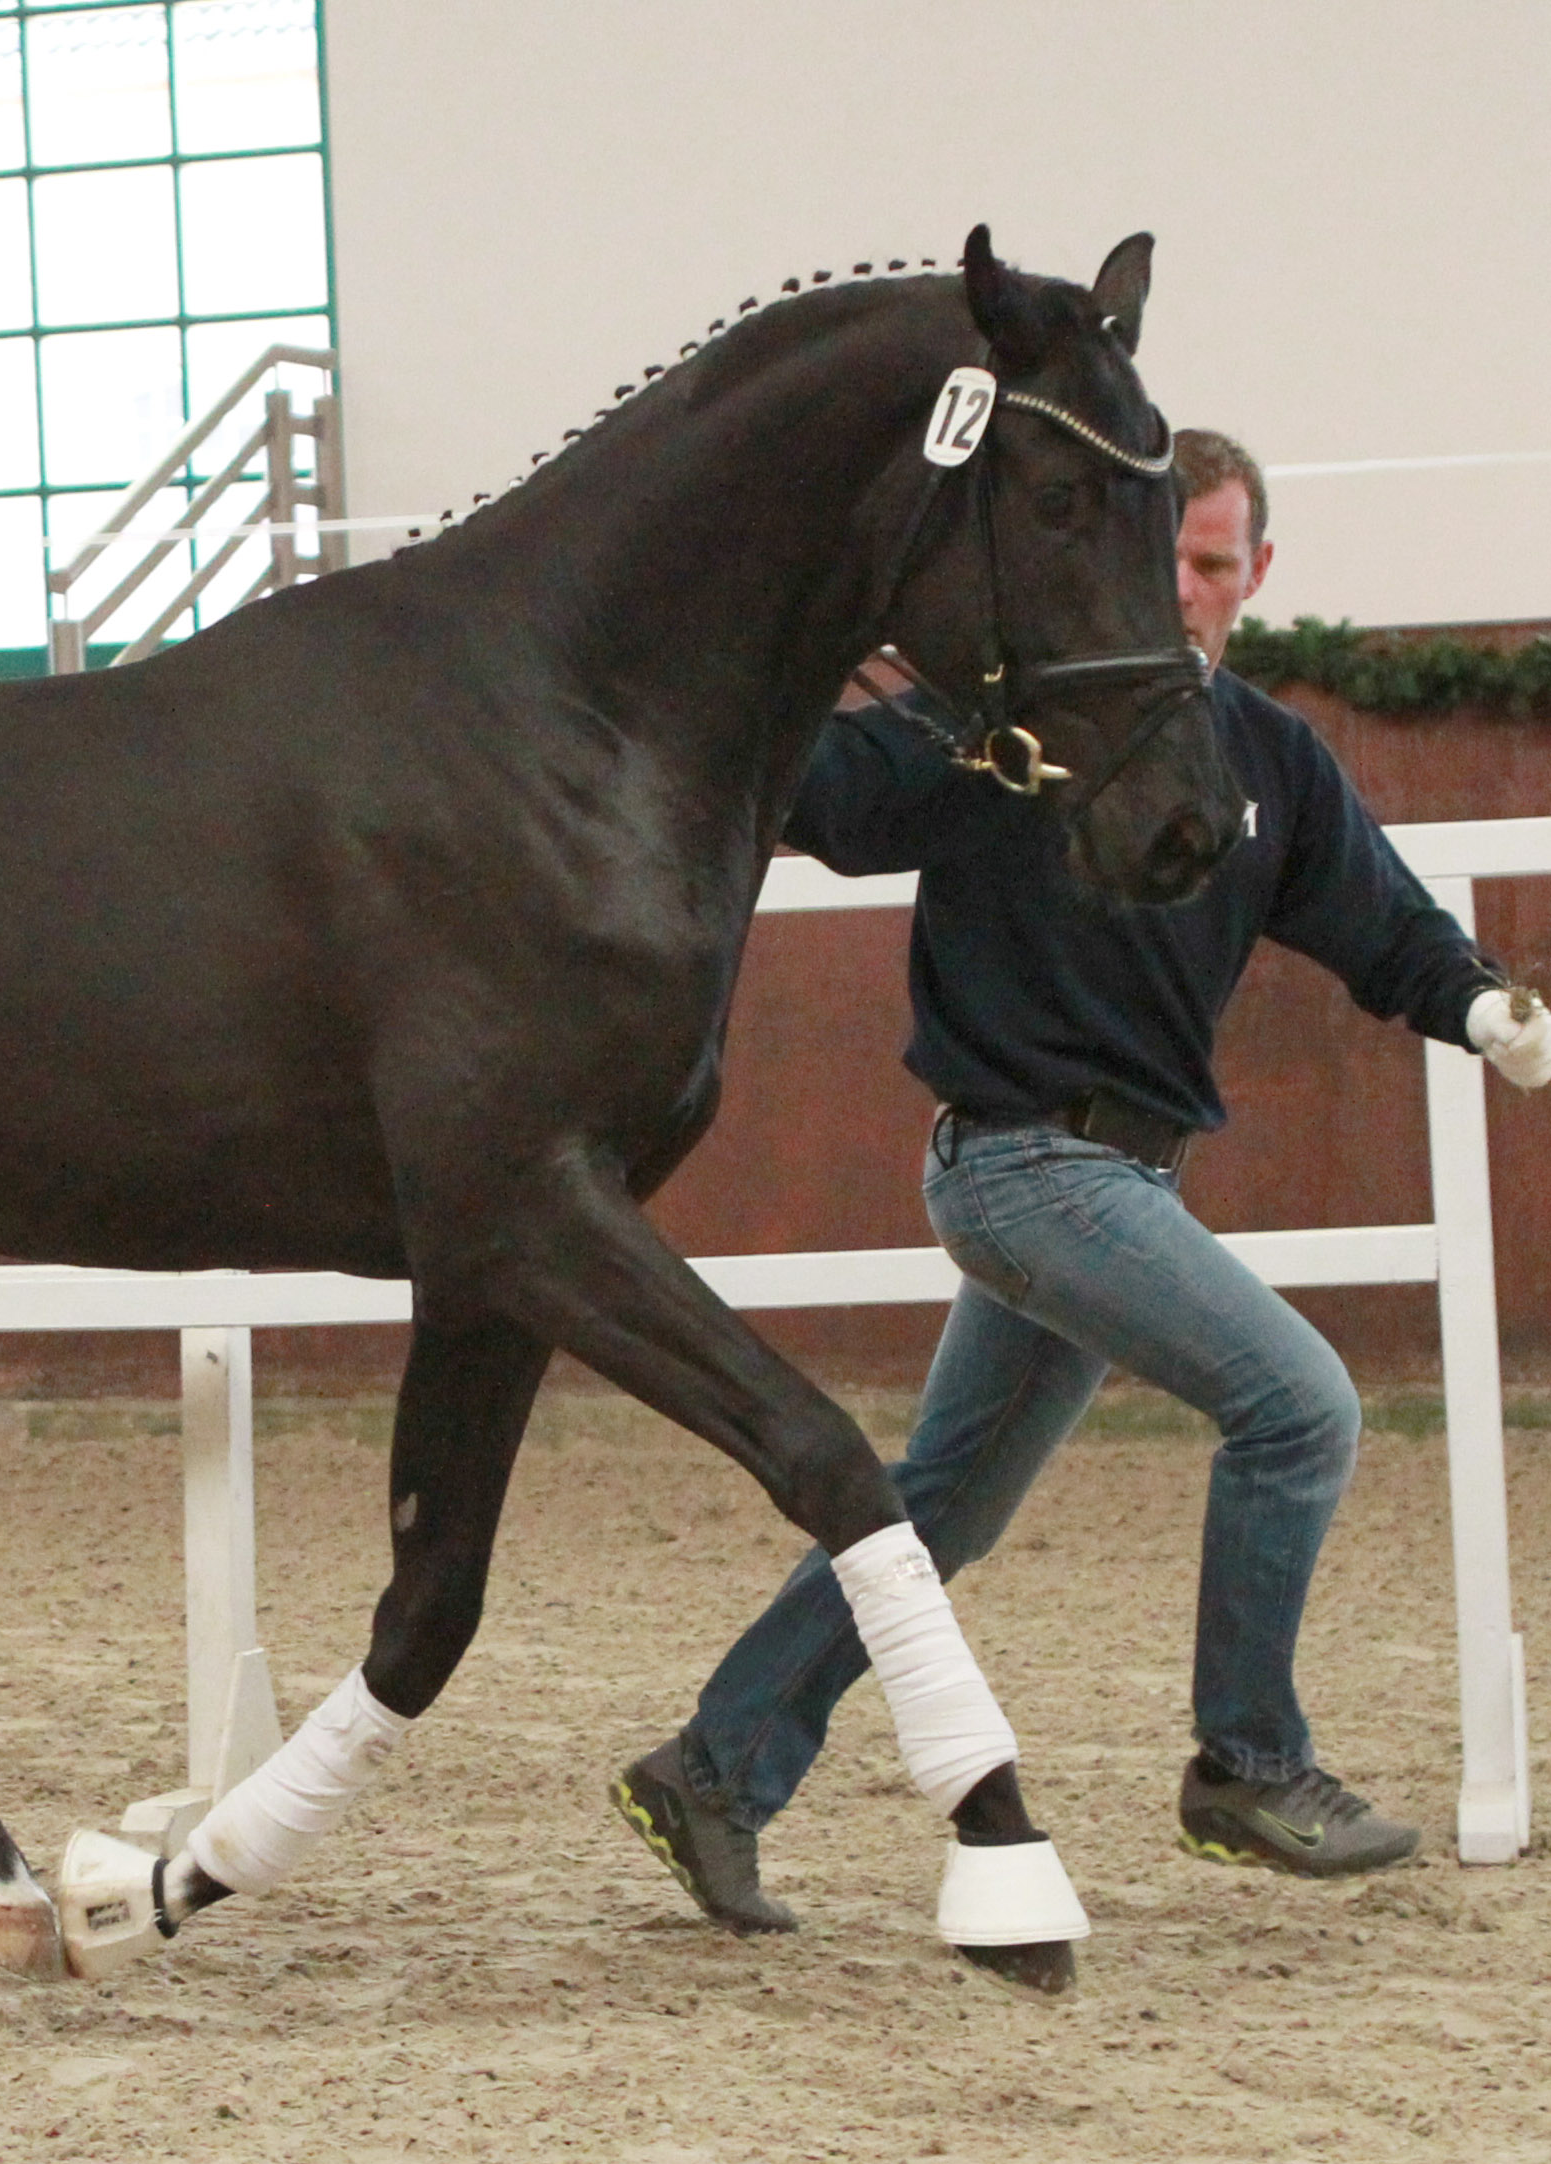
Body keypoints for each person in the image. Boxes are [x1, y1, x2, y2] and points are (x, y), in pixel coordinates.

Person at [617, 428, 1551, 1932]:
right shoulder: (1010, 730)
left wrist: (1486, 1008)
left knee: (939, 1512)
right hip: (1023, 1166)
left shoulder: (1270, 761)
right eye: (1162, 561)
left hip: (1122, 1181)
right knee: (1302, 1406)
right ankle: (1248, 1763)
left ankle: (712, 1768)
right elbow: (832, 796)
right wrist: (778, 651)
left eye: (1208, 564)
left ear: (1257, 572)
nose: (1185, 592)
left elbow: (1384, 926)